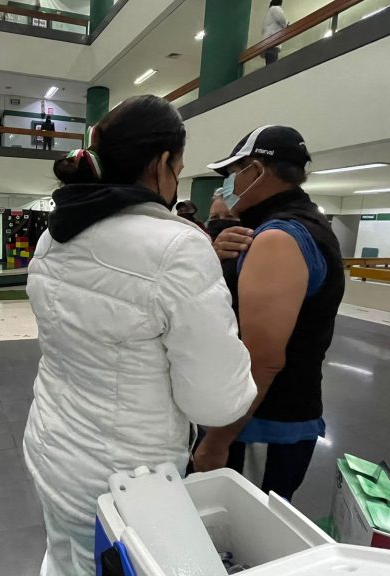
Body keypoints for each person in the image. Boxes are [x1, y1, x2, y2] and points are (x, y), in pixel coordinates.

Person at [23, 95, 256, 575]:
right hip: (122, 483)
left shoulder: (55, 236)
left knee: (61, 559)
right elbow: (216, 403)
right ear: (162, 163)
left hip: (51, 449)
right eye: (179, 168)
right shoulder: (179, 249)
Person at [194, 125, 345, 502]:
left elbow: (263, 360)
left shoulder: (278, 238)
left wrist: (218, 441)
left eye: (232, 172)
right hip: (266, 415)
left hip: (259, 424)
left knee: (237, 541)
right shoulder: (290, 225)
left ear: (256, 171)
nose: (227, 183)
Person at [261, 0, 288, 65]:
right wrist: (287, 24)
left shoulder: (268, 14)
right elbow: (282, 19)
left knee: (269, 64)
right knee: (272, 66)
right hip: (273, 41)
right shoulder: (275, 8)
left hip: (267, 43)